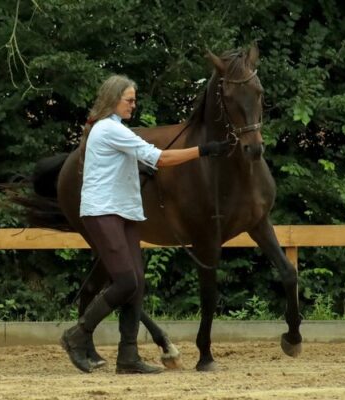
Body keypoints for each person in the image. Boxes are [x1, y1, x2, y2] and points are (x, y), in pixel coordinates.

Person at [60, 75, 230, 374]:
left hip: (125, 212)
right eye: (129, 100)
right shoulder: (108, 129)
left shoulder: (117, 130)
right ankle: (78, 334)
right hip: (103, 212)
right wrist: (204, 150)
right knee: (125, 281)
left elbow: (142, 160)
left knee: (135, 285)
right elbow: (160, 158)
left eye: (134, 100)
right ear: (114, 100)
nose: (133, 105)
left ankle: (128, 358)